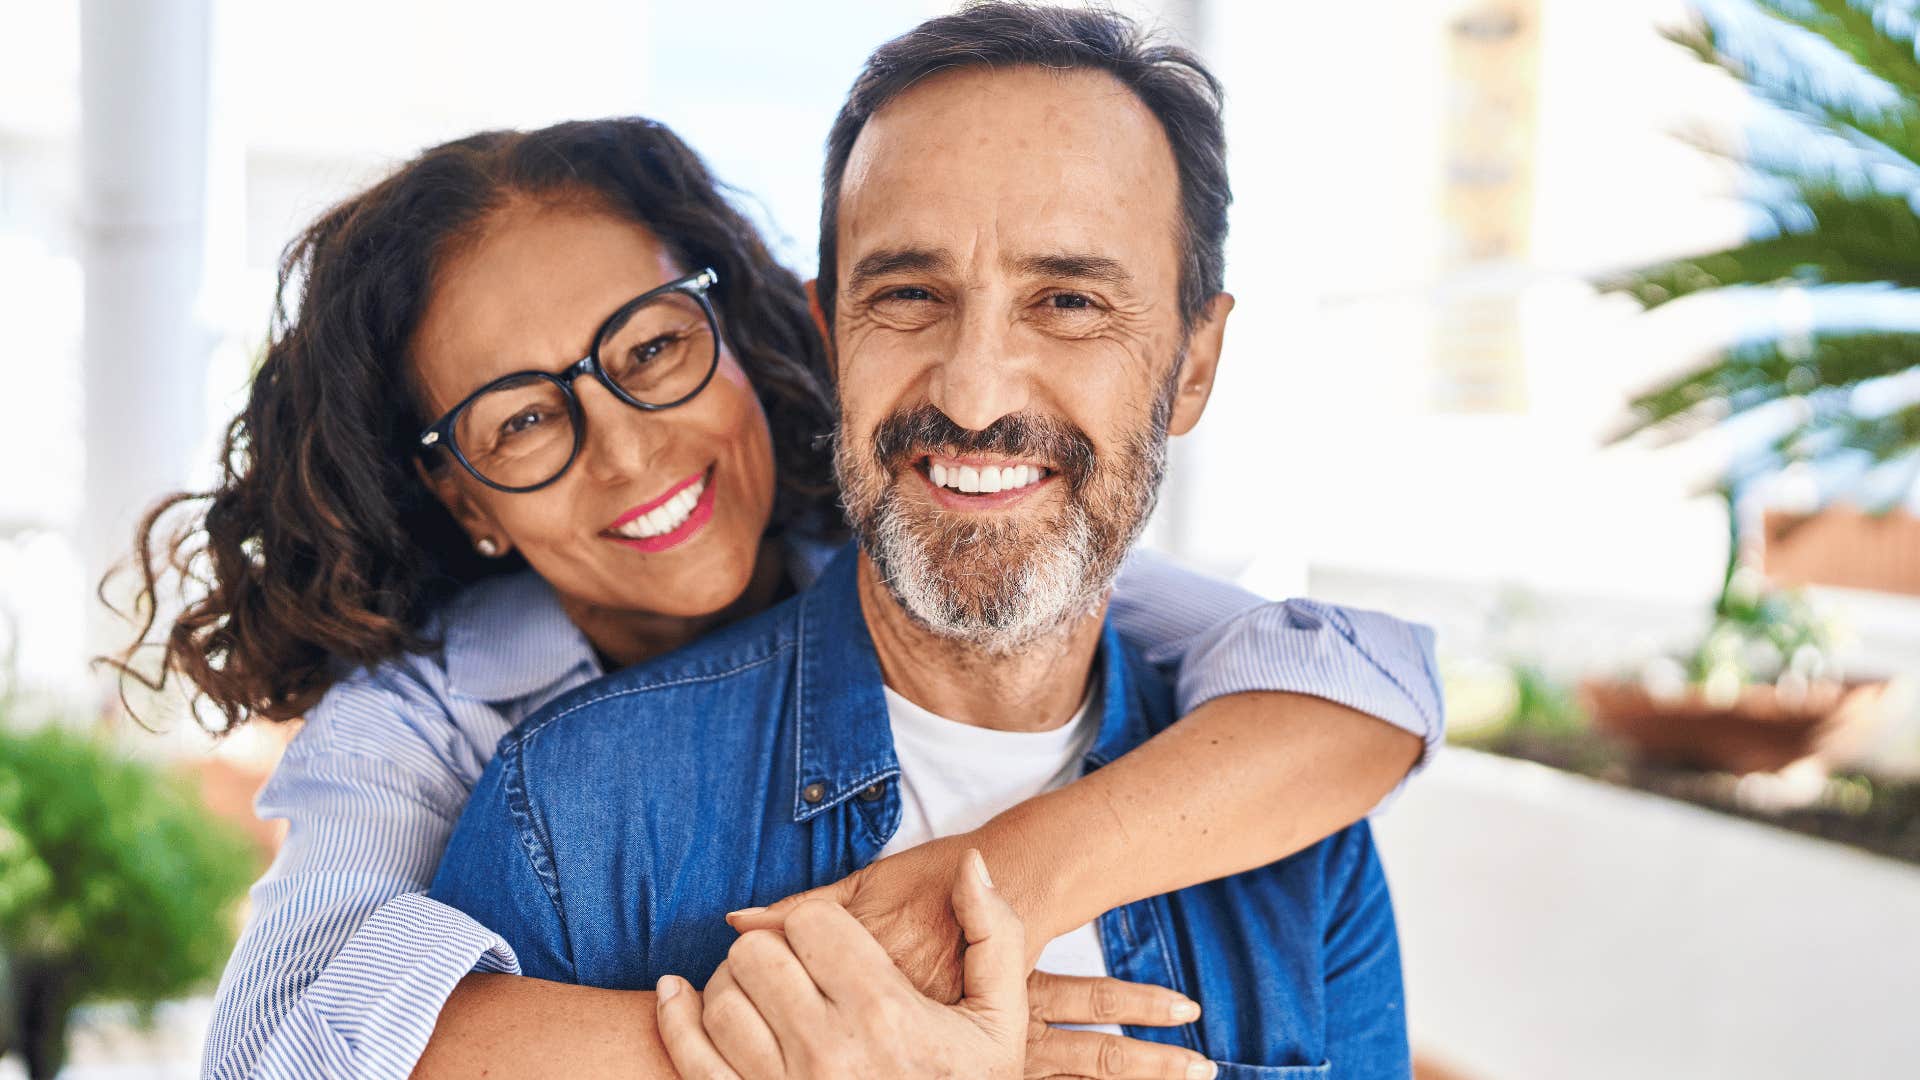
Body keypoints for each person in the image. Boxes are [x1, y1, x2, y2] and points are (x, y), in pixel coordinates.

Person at [114, 29, 1434, 1080]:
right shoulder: (492, 766)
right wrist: (829, 1044)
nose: (627, 451)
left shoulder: (973, 539)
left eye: (649, 353)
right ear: (462, 494)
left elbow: (1360, 689)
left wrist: (998, 885)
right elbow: (283, 1047)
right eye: (520, 420)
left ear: (749, 336)